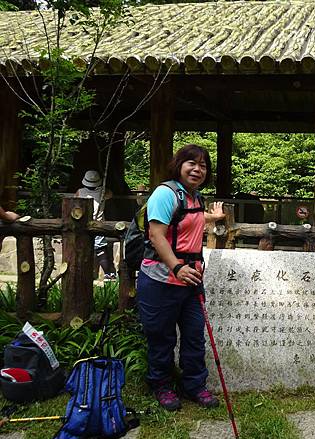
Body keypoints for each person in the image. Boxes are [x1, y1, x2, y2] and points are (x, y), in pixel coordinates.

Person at [136, 144, 225, 411]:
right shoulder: (165, 194)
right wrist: (176, 267)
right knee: (161, 336)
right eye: (192, 163)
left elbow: (190, 220)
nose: (198, 169)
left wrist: (213, 217)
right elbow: (156, 235)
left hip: (191, 280)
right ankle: (161, 385)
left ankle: (194, 385)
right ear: (179, 164)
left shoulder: (194, 197)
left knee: (194, 335)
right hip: (162, 278)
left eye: (204, 166)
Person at [75, 170, 116, 281]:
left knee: (83, 248)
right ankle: (108, 274)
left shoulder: (80, 192)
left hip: (83, 223)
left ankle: (84, 274)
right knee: (101, 250)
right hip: (98, 223)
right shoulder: (103, 192)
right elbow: (110, 194)